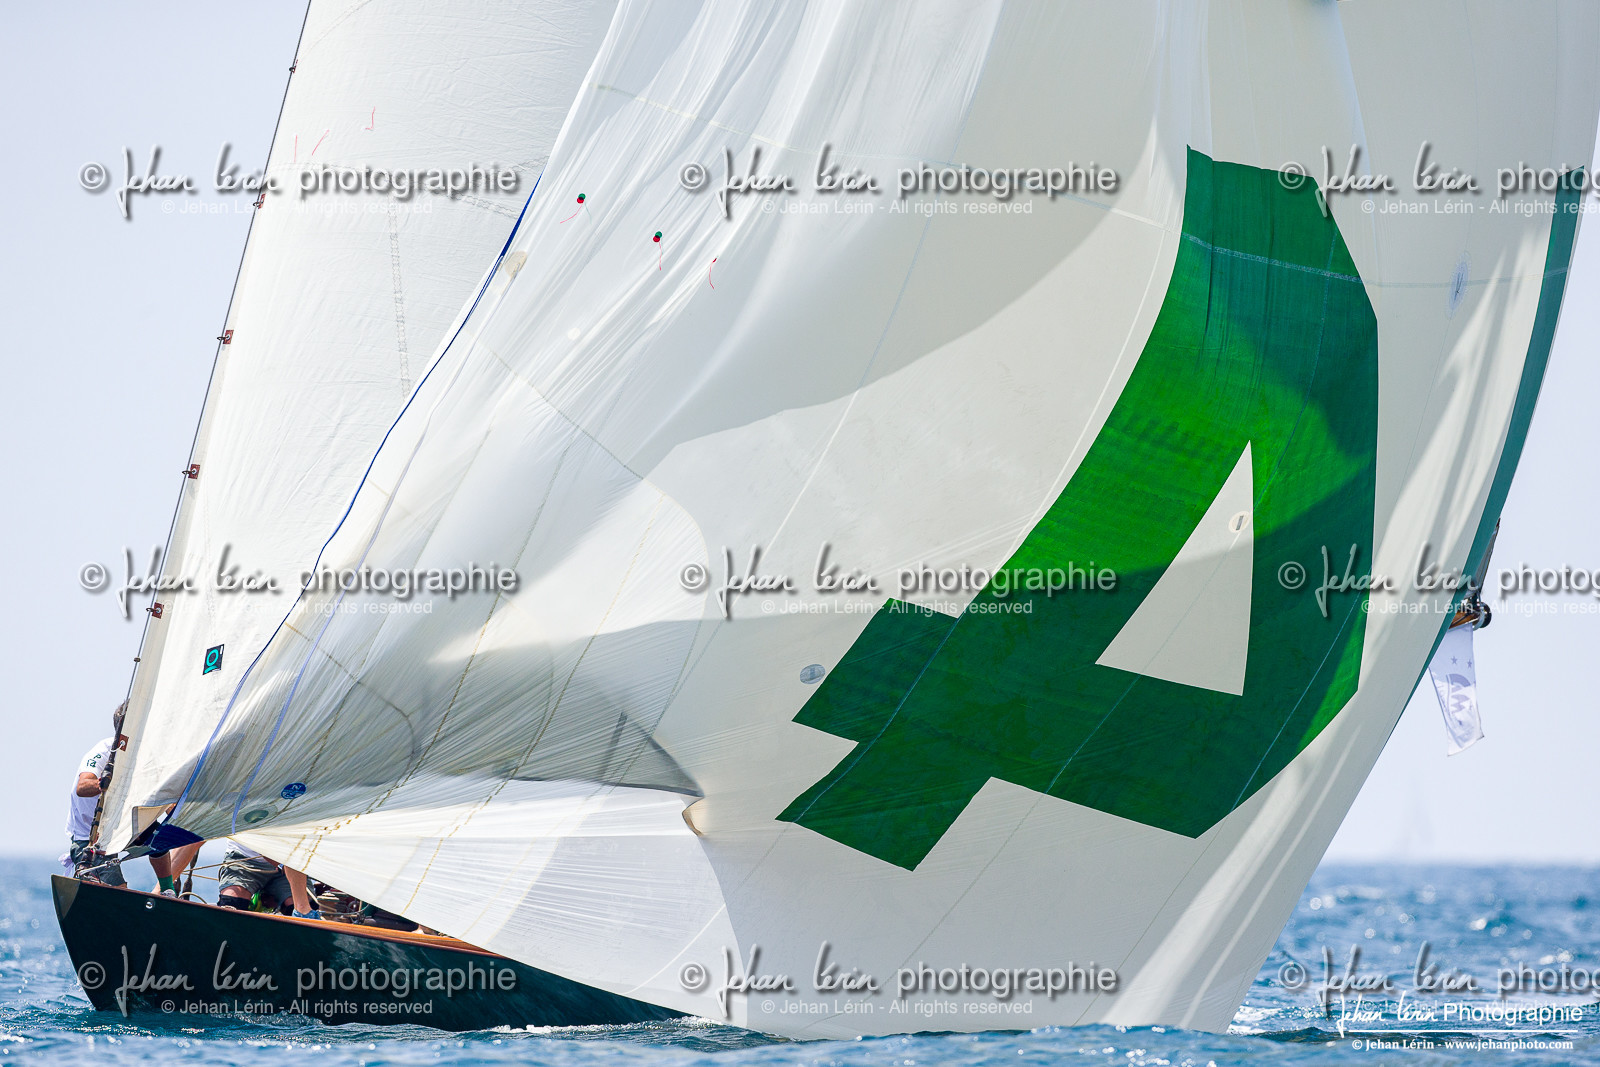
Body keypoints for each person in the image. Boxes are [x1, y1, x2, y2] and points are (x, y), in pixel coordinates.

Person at [65, 734, 180, 893]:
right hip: (90, 838)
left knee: (159, 837)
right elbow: (82, 787)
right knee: (119, 892)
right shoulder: (104, 752)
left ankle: (167, 891)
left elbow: (166, 801)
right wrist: (105, 784)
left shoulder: (145, 755)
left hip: (121, 827)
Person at [216, 841, 320, 918]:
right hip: (244, 859)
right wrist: (284, 866)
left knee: (305, 906)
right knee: (231, 904)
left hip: (288, 860)